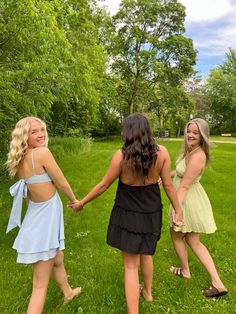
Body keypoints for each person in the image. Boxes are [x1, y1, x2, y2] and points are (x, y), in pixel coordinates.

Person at [70, 113, 183, 314]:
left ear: (128, 131)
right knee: (146, 253)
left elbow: (104, 185)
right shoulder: (162, 153)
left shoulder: (122, 157)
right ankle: (147, 293)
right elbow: (167, 184)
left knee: (131, 266)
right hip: (151, 211)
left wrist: (82, 203)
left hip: (128, 213)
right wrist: (178, 209)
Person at [6, 117, 81, 314]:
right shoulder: (42, 153)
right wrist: (74, 201)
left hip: (38, 216)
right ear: (24, 136)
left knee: (58, 257)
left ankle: (68, 292)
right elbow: (62, 182)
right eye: (34, 132)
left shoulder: (22, 157)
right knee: (39, 286)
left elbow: (29, 195)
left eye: (42, 130)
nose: (41, 134)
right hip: (44, 224)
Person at [169, 118, 228, 298]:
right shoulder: (190, 151)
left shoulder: (198, 155)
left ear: (202, 136)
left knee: (177, 235)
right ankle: (218, 284)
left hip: (187, 200)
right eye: (189, 131)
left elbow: (185, 185)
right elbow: (180, 172)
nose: (190, 135)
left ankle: (186, 271)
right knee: (193, 241)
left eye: (195, 132)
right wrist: (165, 177)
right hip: (187, 198)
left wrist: (176, 209)